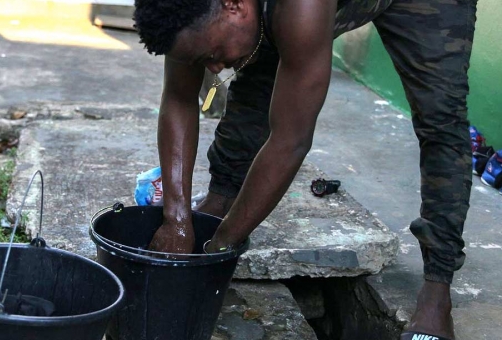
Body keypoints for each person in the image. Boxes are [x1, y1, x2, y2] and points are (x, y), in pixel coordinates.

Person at [133, 0, 476, 339]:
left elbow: (290, 141)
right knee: (258, 64)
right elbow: (179, 97)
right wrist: (176, 218)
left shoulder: (300, 8)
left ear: (233, 5)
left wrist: (220, 248)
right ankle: (221, 198)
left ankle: (437, 288)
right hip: (275, 15)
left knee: (440, 118)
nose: (215, 68)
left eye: (213, 53)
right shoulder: (189, 10)